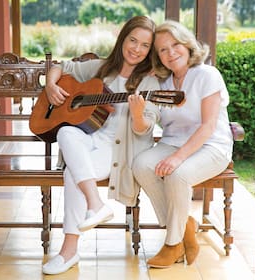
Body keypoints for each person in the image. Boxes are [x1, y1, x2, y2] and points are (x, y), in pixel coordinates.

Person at [41, 15, 160, 275]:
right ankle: (95, 204)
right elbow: (61, 67)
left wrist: (138, 114)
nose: (136, 49)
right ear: (122, 39)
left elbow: (144, 128)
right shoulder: (102, 68)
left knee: (72, 172)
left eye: (144, 45)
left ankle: (68, 251)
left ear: (150, 50)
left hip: (117, 151)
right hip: (89, 138)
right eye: (133, 40)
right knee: (65, 134)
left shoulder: (150, 83)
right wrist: (50, 85)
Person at [132, 20, 234, 268]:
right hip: (173, 143)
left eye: (175, 45)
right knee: (141, 164)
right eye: (162, 50)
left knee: (178, 175)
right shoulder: (162, 82)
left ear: (187, 45)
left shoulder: (207, 74)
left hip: (211, 146)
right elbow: (146, 117)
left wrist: (178, 158)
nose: (170, 53)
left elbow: (208, 126)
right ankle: (185, 226)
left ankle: (172, 243)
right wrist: (144, 81)